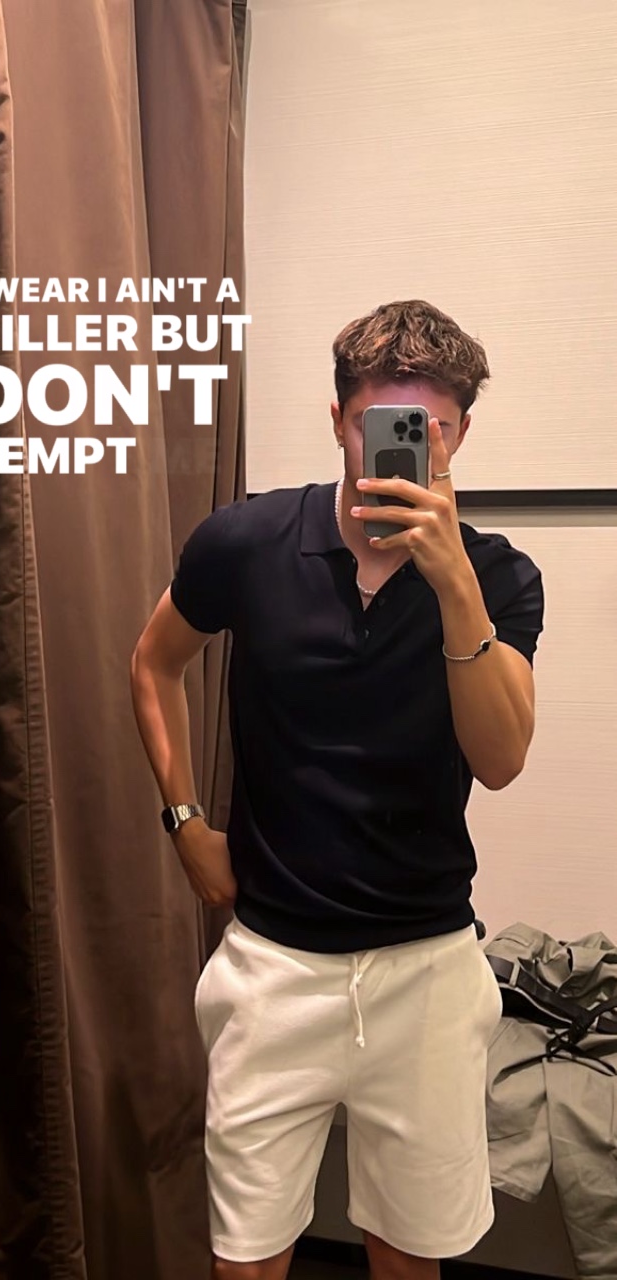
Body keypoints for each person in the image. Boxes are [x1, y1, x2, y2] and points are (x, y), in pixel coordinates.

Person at [130, 300, 544, 1280]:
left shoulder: (497, 576)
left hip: (426, 972)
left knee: (408, 1260)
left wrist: (454, 586)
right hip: (273, 967)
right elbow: (153, 663)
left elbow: (500, 758)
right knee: (246, 1259)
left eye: (429, 428)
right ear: (337, 420)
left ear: (460, 435)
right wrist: (186, 822)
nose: (398, 447)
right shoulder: (245, 541)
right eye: (377, 424)